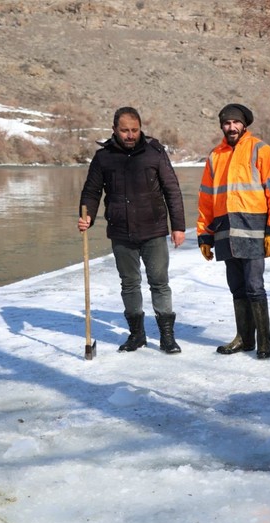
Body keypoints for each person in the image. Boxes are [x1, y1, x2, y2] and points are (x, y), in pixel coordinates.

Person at [77, 106, 187, 354]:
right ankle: (137, 335)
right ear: (114, 129)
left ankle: (167, 337)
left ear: (140, 129)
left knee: (159, 283)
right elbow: (91, 192)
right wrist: (87, 217)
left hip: (154, 229)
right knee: (129, 284)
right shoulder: (103, 157)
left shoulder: (154, 152)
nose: (130, 135)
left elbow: (172, 190)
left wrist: (178, 226)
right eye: (125, 130)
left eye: (134, 130)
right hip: (121, 231)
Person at [197, 103, 270, 359]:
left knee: (254, 286)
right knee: (236, 287)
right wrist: (204, 234)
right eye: (226, 123)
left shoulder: (263, 151)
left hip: (255, 230)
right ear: (222, 126)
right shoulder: (215, 156)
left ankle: (264, 343)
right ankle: (245, 339)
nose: (231, 127)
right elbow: (205, 199)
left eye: (235, 122)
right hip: (225, 232)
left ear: (244, 124)